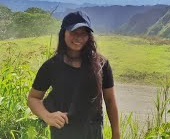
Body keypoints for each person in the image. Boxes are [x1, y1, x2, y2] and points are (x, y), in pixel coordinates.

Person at [27, 11, 120, 139]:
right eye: (73, 32)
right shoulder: (52, 66)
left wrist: (116, 133)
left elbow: (110, 100)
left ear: (89, 36)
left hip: (93, 133)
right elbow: (33, 98)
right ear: (63, 33)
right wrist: (47, 116)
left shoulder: (101, 64)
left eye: (83, 33)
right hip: (63, 133)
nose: (78, 38)